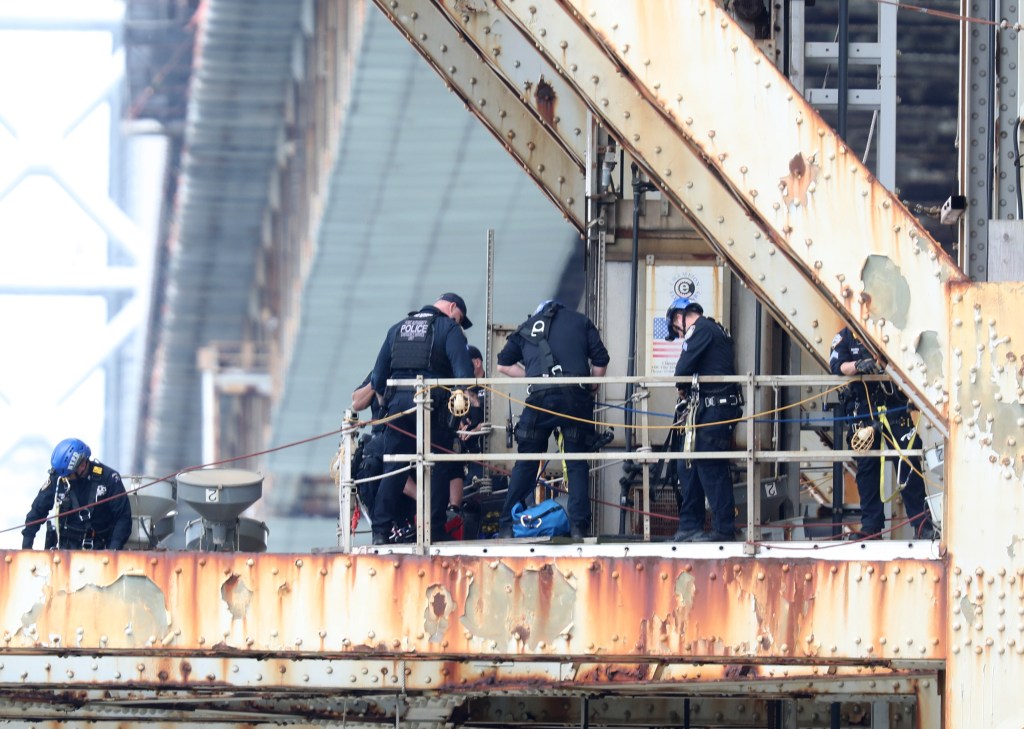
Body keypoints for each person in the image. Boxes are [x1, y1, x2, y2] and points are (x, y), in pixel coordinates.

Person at [495, 300, 610, 539]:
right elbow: (600, 359)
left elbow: (503, 365)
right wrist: (593, 387)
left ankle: (507, 525)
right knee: (577, 462)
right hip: (575, 397)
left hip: (540, 397)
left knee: (526, 461)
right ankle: (579, 527)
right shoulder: (581, 321)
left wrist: (534, 376)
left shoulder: (527, 326)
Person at [370, 293, 475, 544]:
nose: (458, 324)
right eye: (459, 319)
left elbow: (377, 378)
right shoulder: (449, 329)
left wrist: (389, 402)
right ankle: (434, 530)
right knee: (436, 466)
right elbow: (464, 374)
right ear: (452, 308)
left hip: (398, 408)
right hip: (432, 406)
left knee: (394, 467)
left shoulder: (397, 328)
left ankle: (379, 532)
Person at [829, 327, 934, 539]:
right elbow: (837, 365)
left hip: (894, 404)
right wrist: (858, 365)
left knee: (908, 459)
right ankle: (871, 528)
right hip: (864, 411)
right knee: (867, 467)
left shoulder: (893, 331)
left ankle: (922, 524)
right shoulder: (846, 336)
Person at [666, 297, 742, 542]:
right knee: (689, 465)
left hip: (715, 409)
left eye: (677, 330)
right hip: (708, 409)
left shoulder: (700, 329)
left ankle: (723, 529)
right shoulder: (713, 329)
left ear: (681, 317)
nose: (679, 335)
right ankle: (690, 524)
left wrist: (682, 386)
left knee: (711, 464)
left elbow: (682, 371)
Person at [22, 438, 132, 550]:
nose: (65, 478)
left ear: (82, 466)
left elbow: (123, 517)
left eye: (69, 475)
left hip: (101, 549)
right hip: (67, 551)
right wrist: (26, 545)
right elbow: (37, 511)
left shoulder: (109, 479)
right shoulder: (59, 477)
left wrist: (113, 551)